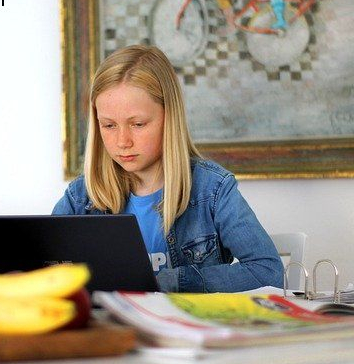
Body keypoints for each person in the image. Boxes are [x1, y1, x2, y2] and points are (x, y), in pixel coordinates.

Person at [52, 45, 283, 293]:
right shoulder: (81, 197)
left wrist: (170, 282)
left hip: (187, 329)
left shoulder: (212, 189)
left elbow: (268, 271)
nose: (122, 141)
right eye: (109, 125)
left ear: (169, 117)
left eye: (138, 124)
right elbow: (38, 272)